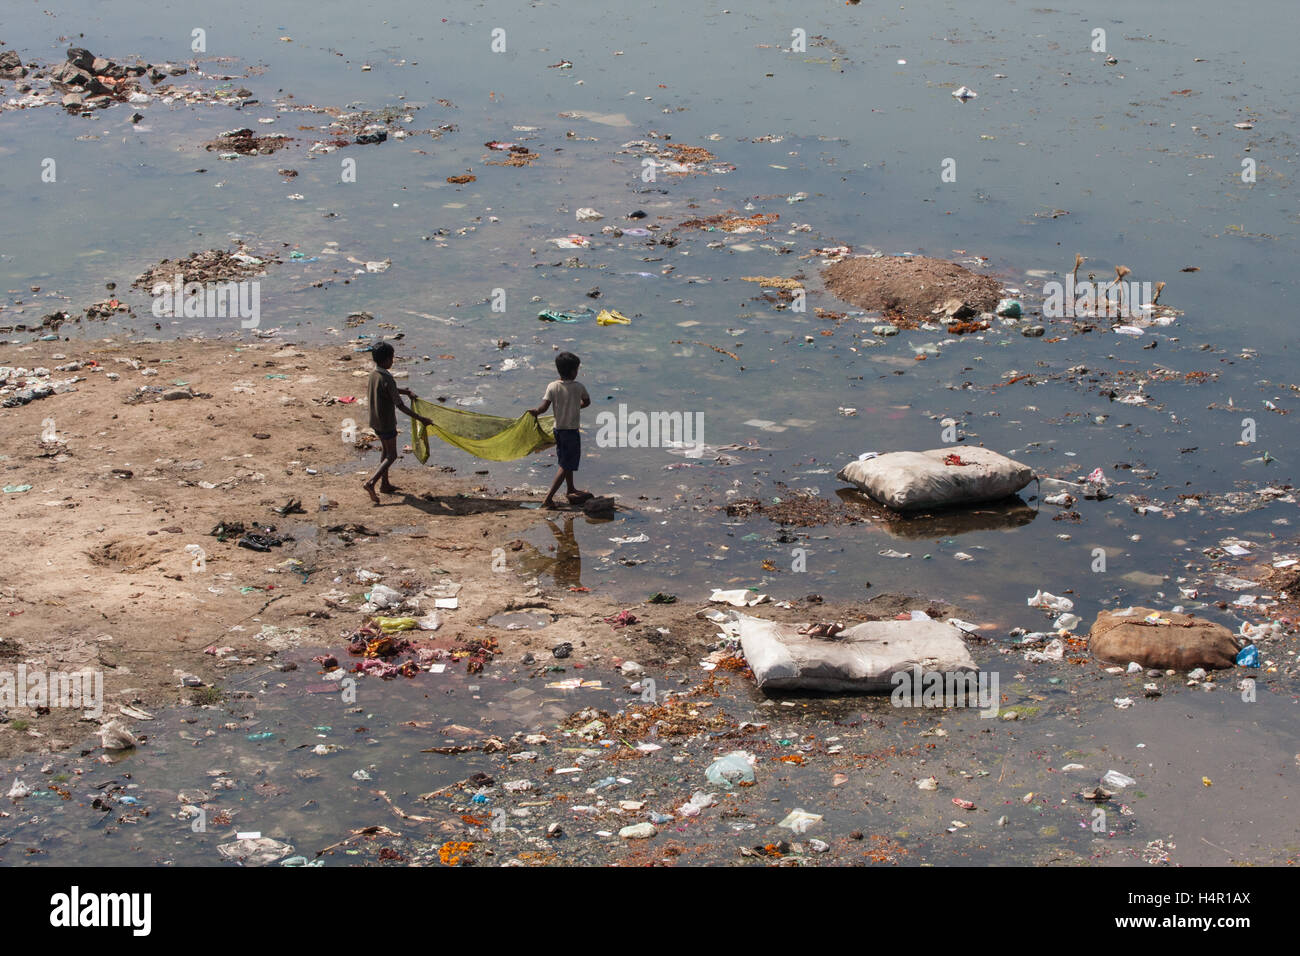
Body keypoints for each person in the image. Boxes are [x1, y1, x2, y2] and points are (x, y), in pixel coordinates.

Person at [363, 341, 431, 505]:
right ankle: (371, 483)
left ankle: (385, 485)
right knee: (392, 455)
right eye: (392, 358)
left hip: (375, 420)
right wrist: (421, 419)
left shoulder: (374, 374)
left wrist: (406, 391)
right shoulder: (387, 377)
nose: (393, 361)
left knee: (385, 452)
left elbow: (389, 389)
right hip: (386, 422)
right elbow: (399, 405)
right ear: (386, 359)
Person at [529, 351, 592, 509]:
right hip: (571, 431)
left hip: (558, 430)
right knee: (566, 465)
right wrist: (576, 407)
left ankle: (571, 490)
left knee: (565, 461)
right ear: (573, 371)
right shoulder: (578, 387)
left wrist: (535, 412)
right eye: (576, 369)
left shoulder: (552, 386)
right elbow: (587, 402)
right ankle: (549, 498)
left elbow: (543, 408)